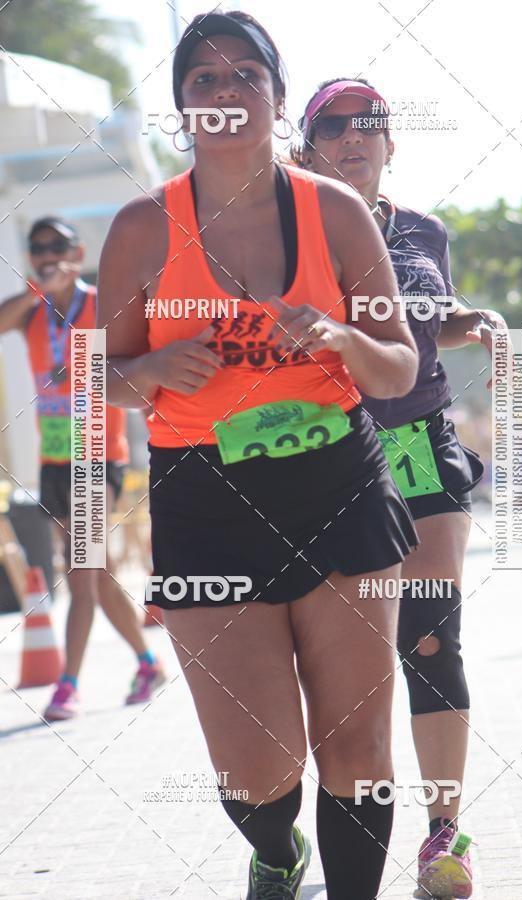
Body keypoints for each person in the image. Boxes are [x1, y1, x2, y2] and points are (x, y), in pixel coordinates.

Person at [99, 11, 420, 900]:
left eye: (247, 73)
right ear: (182, 110)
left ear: (278, 99)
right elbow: (96, 374)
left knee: (358, 747)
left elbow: (398, 368)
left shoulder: (335, 212)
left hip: (338, 481)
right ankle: (276, 851)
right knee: (257, 768)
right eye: (204, 78)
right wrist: (151, 369)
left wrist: (343, 339)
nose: (227, 90)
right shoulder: (141, 228)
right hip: (204, 498)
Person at [293, 77, 509, 900]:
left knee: (430, 636)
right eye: (333, 126)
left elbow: (422, 323)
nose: (353, 136)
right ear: (308, 147)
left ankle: (444, 835)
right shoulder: (291, 232)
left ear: (391, 141)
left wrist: (472, 323)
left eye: (369, 123)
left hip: (420, 443)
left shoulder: (424, 231)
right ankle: (308, 830)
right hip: (330, 453)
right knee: (346, 660)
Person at [0, 216, 166, 720]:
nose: (48, 254)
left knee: (80, 571)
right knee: (99, 573)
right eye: (38, 248)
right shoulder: (32, 311)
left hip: (97, 452)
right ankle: (148, 663)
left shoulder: (99, 303)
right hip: (55, 459)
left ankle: (67, 684)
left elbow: (137, 354)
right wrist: (37, 291)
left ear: (78, 251)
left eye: (58, 245)